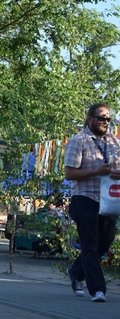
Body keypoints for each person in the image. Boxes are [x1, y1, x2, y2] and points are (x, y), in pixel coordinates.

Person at [64, 103, 120, 303]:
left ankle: (76, 271)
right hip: (85, 198)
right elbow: (70, 173)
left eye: (108, 119)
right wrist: (97, 171)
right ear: (89, 118)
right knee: (90, 244)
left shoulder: (115, 142)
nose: (105, 122)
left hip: (108, 199)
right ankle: (98, 290)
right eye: (101, 118)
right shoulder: (78, 141)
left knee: (105, 242)